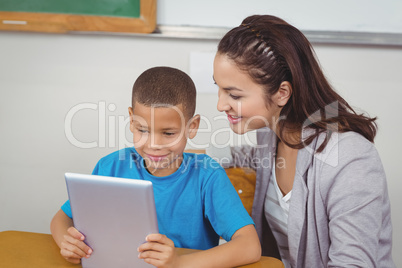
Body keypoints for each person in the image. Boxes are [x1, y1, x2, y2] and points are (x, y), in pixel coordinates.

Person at [210, 15, 395, 267]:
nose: (221, 105)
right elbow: (243, 156)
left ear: (282, 93)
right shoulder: (271, 134)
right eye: (218, 89)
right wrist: (173, 151)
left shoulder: (352, 159)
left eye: (233, 94)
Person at [50, 66, 261, 268]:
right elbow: (62, 218)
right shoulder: (111, 166)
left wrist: (178, 264)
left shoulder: (207, 176)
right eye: (142, 130)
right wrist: (67, 243)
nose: (154, 145)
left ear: (192, 127)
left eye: (168, 133)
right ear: (131, 121)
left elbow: (250, 246)